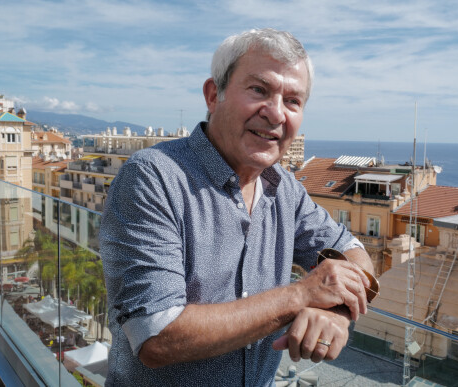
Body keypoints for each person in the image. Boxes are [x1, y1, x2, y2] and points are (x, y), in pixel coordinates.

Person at [100, 28, 374, 386]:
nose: (275, 114)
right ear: (214, 95)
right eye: (259, 90)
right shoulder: (153, 177)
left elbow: (353, 251)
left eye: (293, 101)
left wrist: (337, 311)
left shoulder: (284, 188)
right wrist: (302, 295)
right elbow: (156, 335)